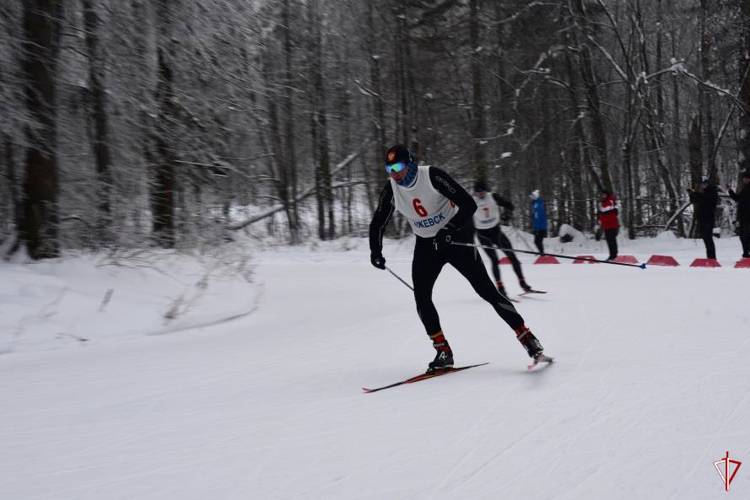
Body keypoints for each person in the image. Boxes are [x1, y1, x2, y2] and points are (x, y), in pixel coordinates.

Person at [369, 144, 548, 373]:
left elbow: (468, 204)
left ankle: (528, 339)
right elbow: (378, 221)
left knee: (486, 291)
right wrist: (375, 250)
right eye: (389, 168)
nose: (394, 172)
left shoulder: (432, 176)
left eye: (398, 166)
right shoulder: (392, 189)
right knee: (421, 298)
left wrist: (449, 229)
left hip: (455, 238)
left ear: (410, 163)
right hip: (426, 245)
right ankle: (443, 351)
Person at [472, 181, 533, 295]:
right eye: (478, 192)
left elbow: (509, 205)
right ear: (475, 193)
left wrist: (507, 215)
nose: (481, 194)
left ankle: (523, 284)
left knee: (513, 257)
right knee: (494, 260)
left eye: (483, 191)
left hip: (497, 233)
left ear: (486, 190)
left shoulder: (493, 197)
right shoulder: (472, 202)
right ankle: (500, 288)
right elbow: (463, 215)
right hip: (483, 235)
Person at [688, 178, 719, 260]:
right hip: (702, 219)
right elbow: (694, 200)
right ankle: (710, 257)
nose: (703, 186)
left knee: (708, 239)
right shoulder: (705, 193)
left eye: (705, 184)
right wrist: (691, 194)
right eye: (703, 184)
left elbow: (705, 197)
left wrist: (696, 193)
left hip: (708, 219)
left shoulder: (712, 193)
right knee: (706, 239)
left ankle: (712, 257)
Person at [728, 170, 750, 258]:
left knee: (746, 236)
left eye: (746, 178)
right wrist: (730, 191)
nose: (745, 180)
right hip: (743, 216)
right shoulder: (744, 189)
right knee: (743, 236)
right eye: (744, 178)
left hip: (748, 217)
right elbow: (738, 198)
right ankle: (745, 253)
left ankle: (746, 253)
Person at [598, 189, 620, 261]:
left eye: (604, 195)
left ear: (607, 195)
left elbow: (615, 212)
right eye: (602, 195)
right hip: (606, 226)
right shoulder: (601, 203)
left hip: (612, 225)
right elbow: (601, 214)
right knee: (608, 240)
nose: (603, 196)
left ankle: (614, 255)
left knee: (612, 240)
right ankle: (611, 255)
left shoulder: (611, 201)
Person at [529, 190, 547, 254]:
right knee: (538, 242)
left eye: (531, 197)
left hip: (540, 228)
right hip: (541, 228)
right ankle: (542, 254)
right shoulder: (537, 205)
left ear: (534, 198)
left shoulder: (537, 206)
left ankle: (542, 255)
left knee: (537, 242)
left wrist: (537, 230)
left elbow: (538, 219)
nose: (530, 199)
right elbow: (537, 218)